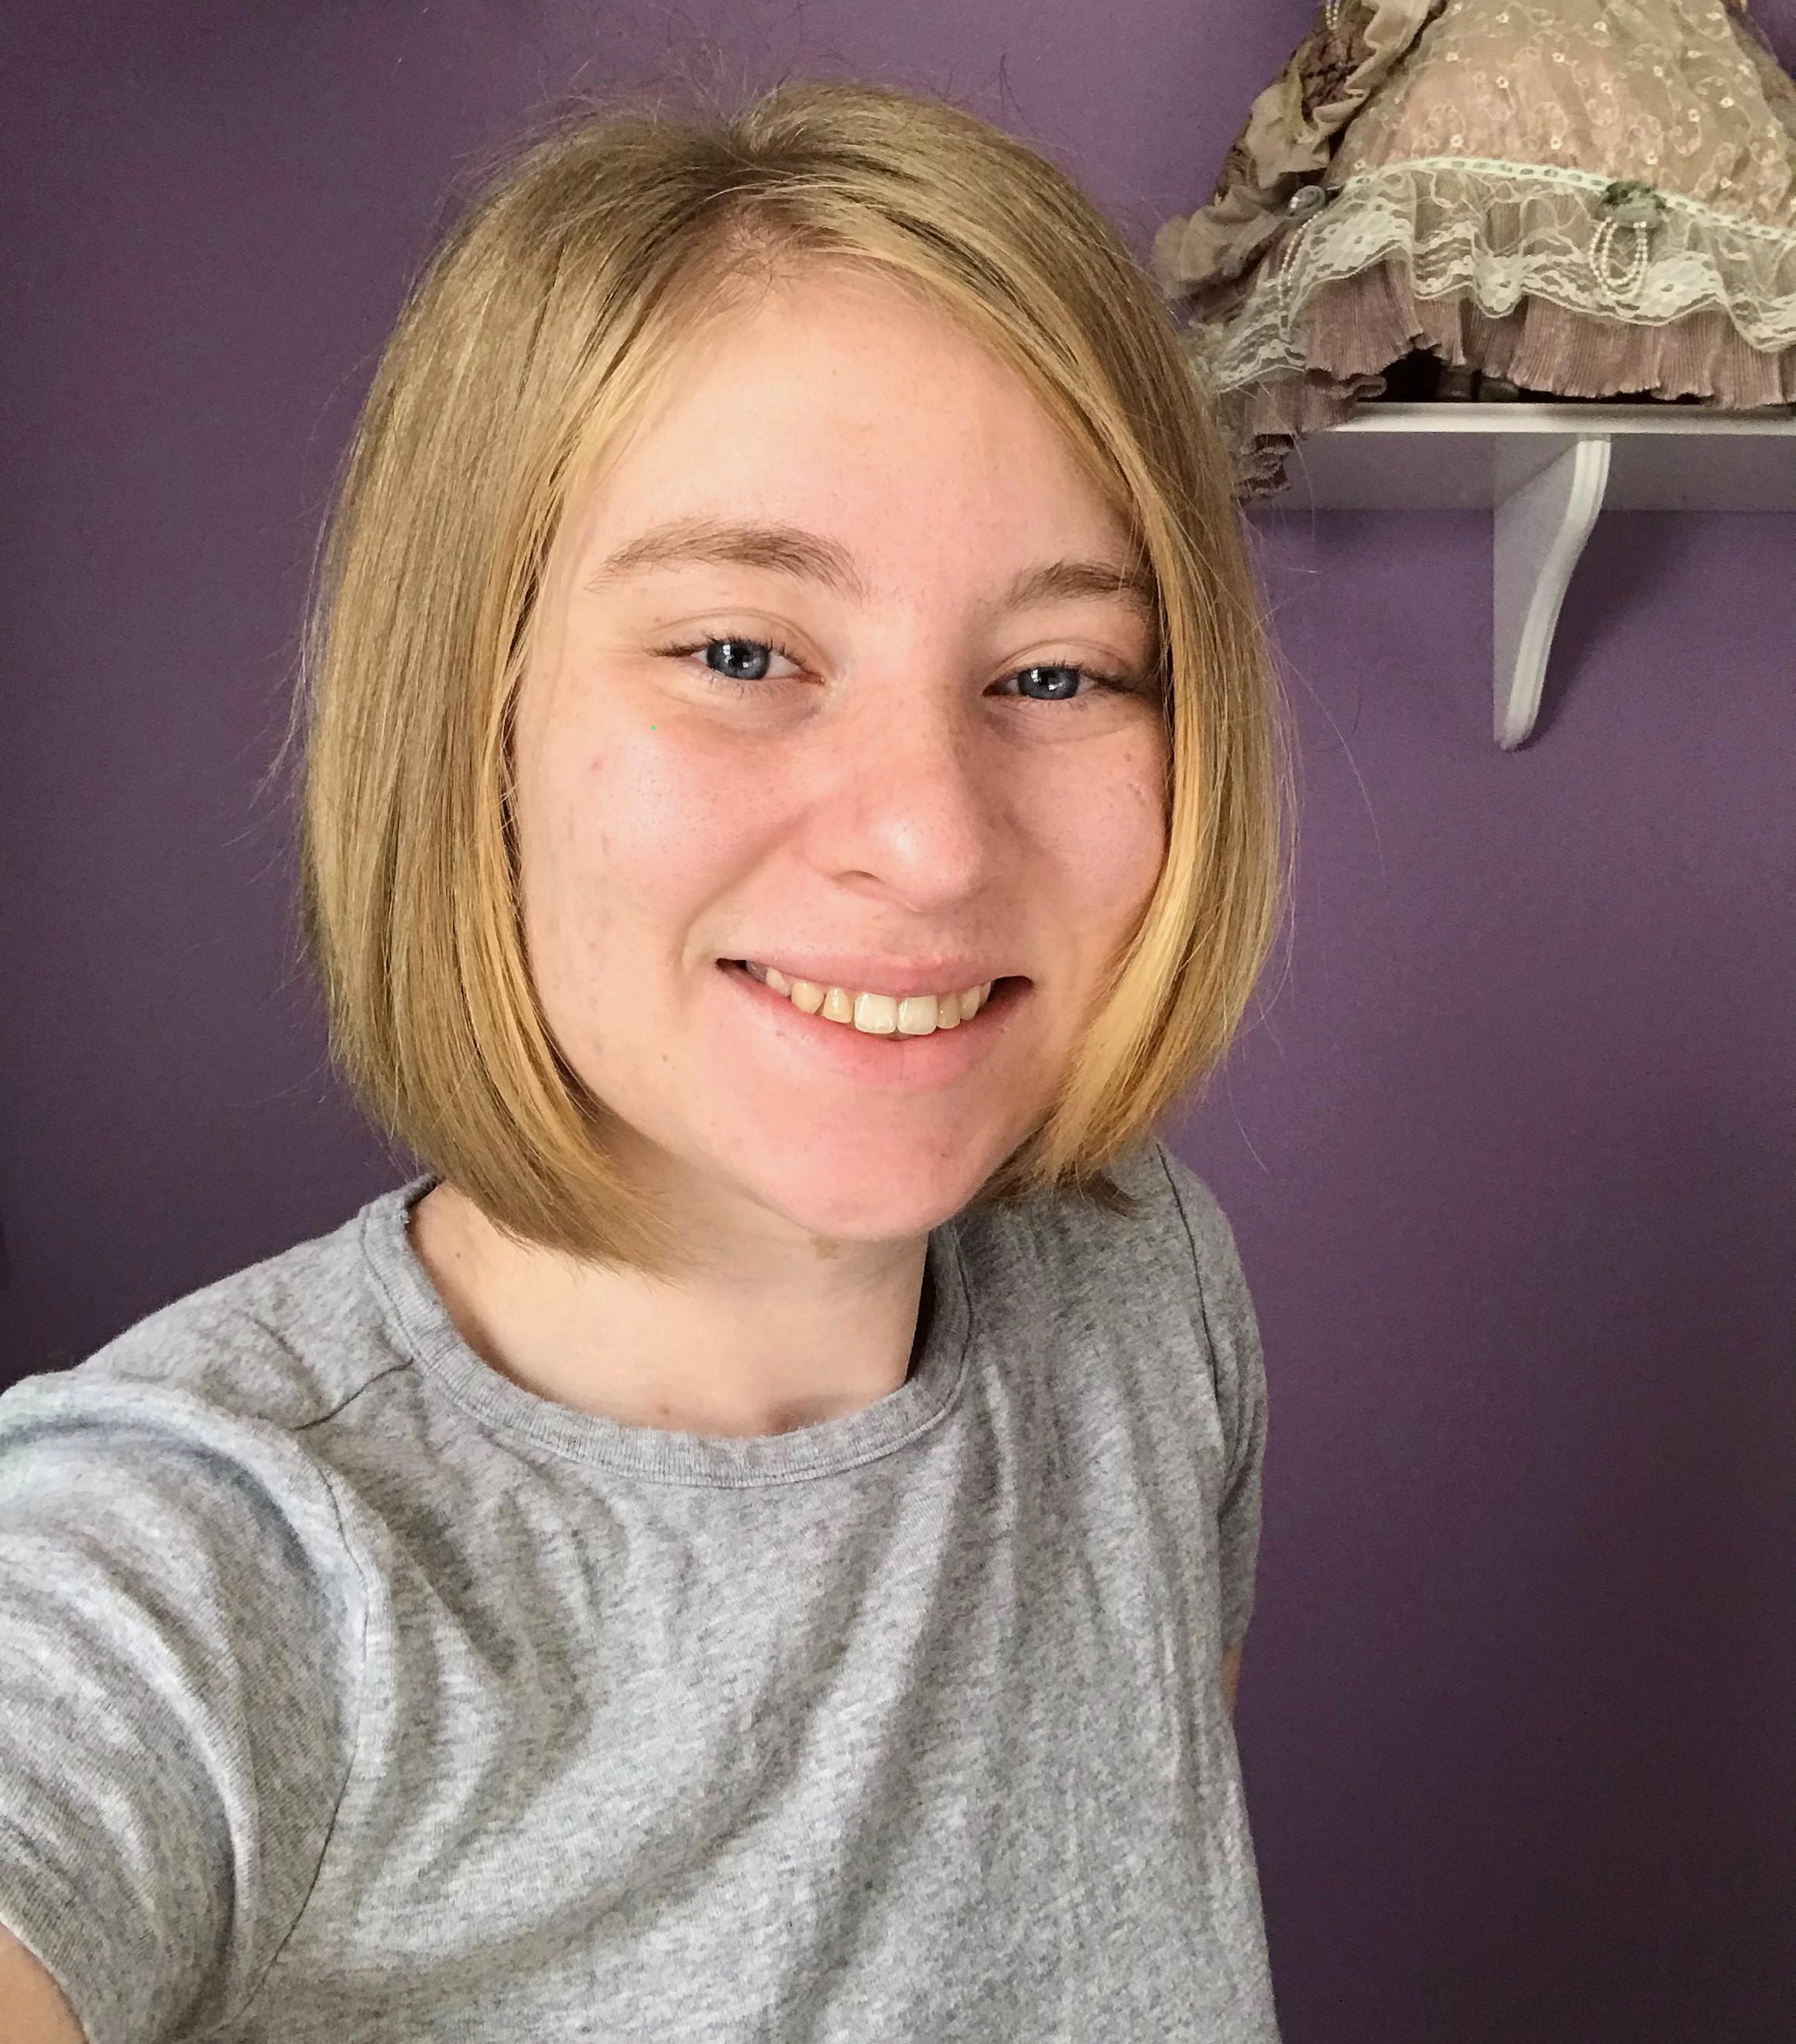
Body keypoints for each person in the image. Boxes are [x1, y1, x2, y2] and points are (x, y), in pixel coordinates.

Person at [0, 75, 1294, 2042]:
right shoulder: (191, 1556)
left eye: (1053, 675)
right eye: (740, 652)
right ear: (476, 717)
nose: (931, 838)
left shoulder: (1140, 1294)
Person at [1153, 0, 1796, 498]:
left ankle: (1485, 359)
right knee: (1486, 184)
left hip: (1518, 59)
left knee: (1466, 164)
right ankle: (1495, 357)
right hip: (1646, 59)